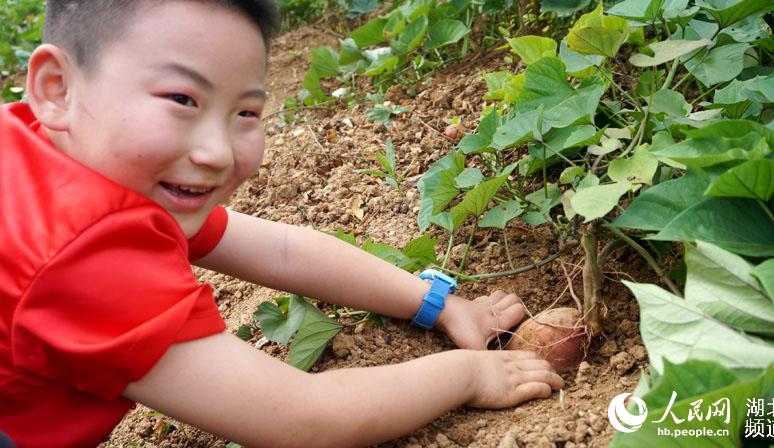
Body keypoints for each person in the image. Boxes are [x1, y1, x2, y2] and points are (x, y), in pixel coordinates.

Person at [0, 1, 565, 446]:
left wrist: (438, 302)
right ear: (57, 88)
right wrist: (467, 376)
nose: (218, 151)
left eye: (246, 112)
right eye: (181, 98)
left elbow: (282, 252)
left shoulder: (49, 151)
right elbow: (303, 418)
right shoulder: (83, 252)